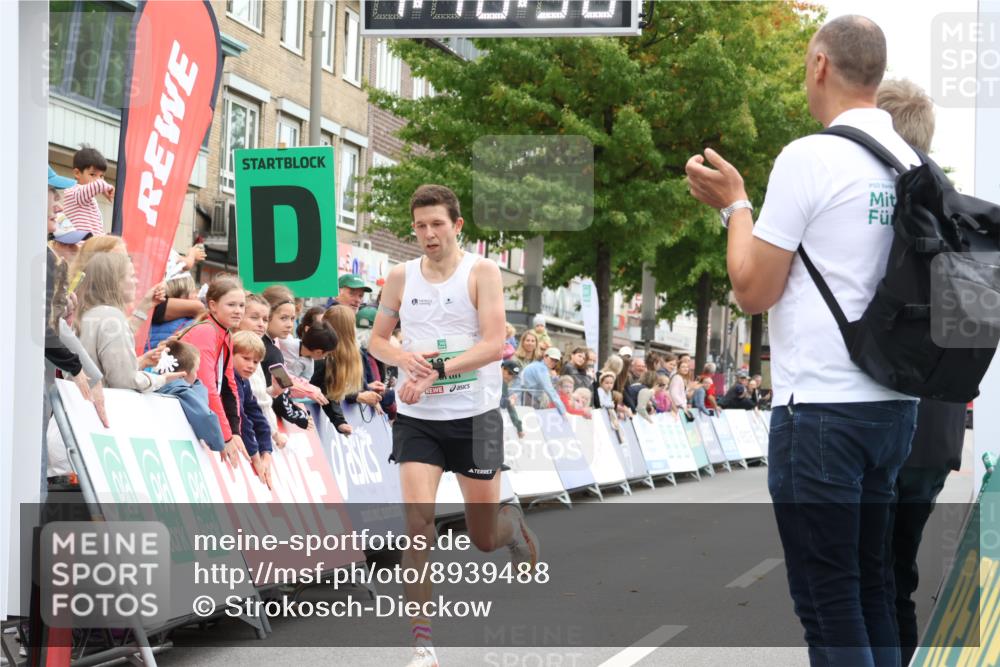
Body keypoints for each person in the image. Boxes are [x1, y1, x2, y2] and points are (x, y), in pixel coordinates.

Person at [686, 15, 919, 666]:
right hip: (893, 406)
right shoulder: (911, 163)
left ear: (820, 64)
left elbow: (752, 289)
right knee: (873, 588)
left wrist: (736, 207)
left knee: (829, 604)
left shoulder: (810, 158)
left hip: (819, 411)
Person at [367, 184, 539, 667]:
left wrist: (434, 369)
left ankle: (513, 529)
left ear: (457, 225)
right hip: (420, 420)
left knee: (483, 538)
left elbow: (493, 345)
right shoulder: (399, 277)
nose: (428, 234)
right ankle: (422, 644)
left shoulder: (481, 272)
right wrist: (403, 357)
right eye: (420, 226)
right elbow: (376, 340)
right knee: (418, 527)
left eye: (437, 224)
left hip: (477, 416)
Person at [877, 76, 967, 666]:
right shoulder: (964, 217)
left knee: (858, 579)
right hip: (937, 425)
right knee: (896, 574)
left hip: (877, 416)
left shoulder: (880, 204)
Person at [74, 253, 180, 392]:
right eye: (132, 276)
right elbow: (124, 381)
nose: (136, 281)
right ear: (115, 281)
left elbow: (102, 368)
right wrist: (160, 379)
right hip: (100, 408)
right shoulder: (112, 317)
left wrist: (140, 362)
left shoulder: (87, 314)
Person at [176, 273, 247, 469]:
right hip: (178, 408)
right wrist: (225, 436)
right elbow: (208, 386)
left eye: (241, 306)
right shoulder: (206, 331)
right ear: (213, 306)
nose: (238, 311)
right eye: (231, 305)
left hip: (191, 408)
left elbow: (229, 386)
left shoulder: (226, 334)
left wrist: (234, 431)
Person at [157, 339, 225, 452]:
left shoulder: (155, 383)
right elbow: (205, 416)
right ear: (184, 374)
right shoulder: (182, 391)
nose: (197, 376)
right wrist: (218, 444)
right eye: (196, 370)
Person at [231, 331, 274, 489]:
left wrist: (266, 451)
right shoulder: (231, 379)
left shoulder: (245, 381)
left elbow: (257, 416)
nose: (251, 366)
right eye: (246, 359)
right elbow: (241, 418)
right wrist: (255, 458)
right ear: (231, 354)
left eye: (256, 362)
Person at [60, 146, 114, 237]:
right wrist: (107, 188)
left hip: (91, 248)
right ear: (77, 173)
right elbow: (98, 185)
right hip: (79, 248)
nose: (98, 180)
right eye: (93, 174)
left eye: (101, 176)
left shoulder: (90, 200)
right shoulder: (73, 193)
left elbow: (95, 231)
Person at [515, 347, 566, 413]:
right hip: (527, 397)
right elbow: (549, 389)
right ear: (545, 356)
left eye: (556, 361)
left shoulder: (538, 366)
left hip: (527, 397)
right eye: (552, 359)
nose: (554, 362)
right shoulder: (541, 368)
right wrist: (562, 410)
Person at [500, 360, 525, 438]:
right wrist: (509, 401)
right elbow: (502, 403)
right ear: (502, 368)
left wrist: (519, 427)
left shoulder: (504, 384)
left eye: (513, 376)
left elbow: (510, 407)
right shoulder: (493, 380)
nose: (511, 377)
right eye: (510, 373)